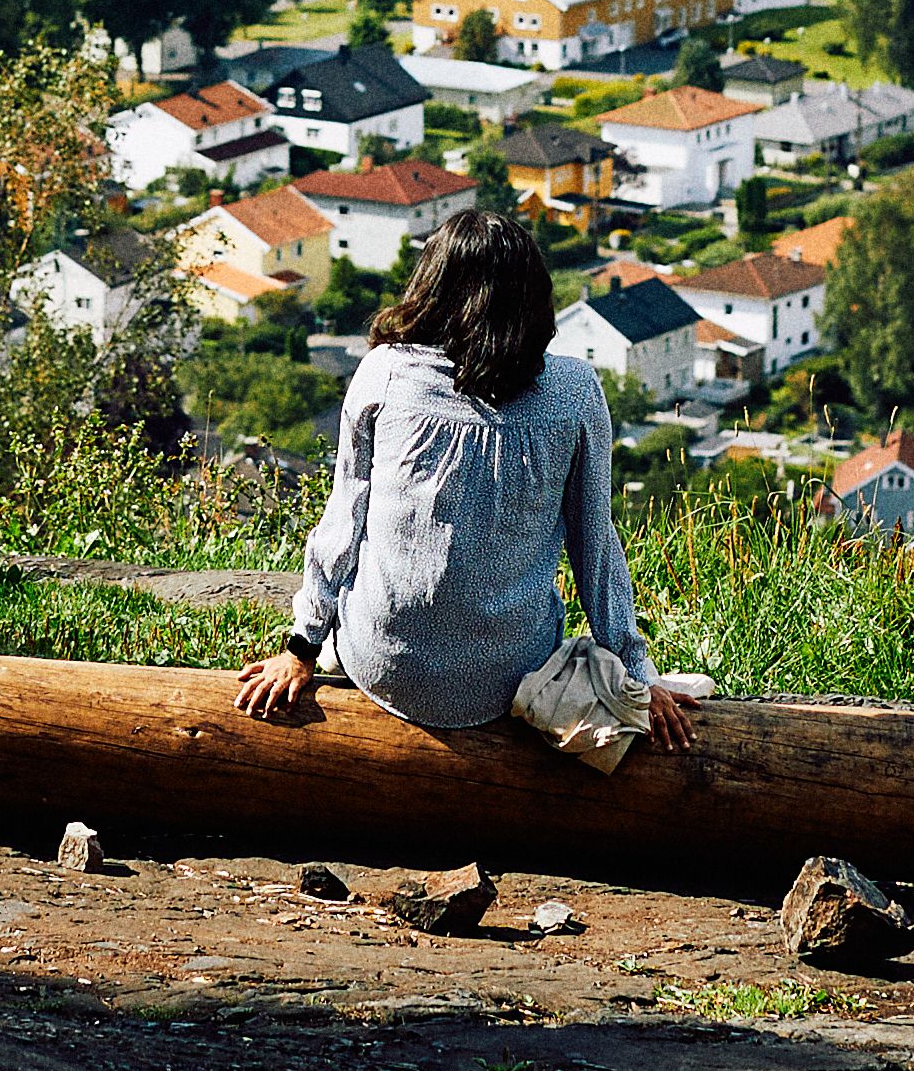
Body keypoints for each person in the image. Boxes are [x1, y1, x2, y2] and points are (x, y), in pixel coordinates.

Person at [233, 197, 688, 748]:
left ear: (432, 291)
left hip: (384, 663)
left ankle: (334, 650)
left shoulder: (385, 374)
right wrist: (638, 676)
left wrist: (300, 649)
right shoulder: (574, 394)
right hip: (509, 677)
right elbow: (596, 544)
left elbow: (341, 525)